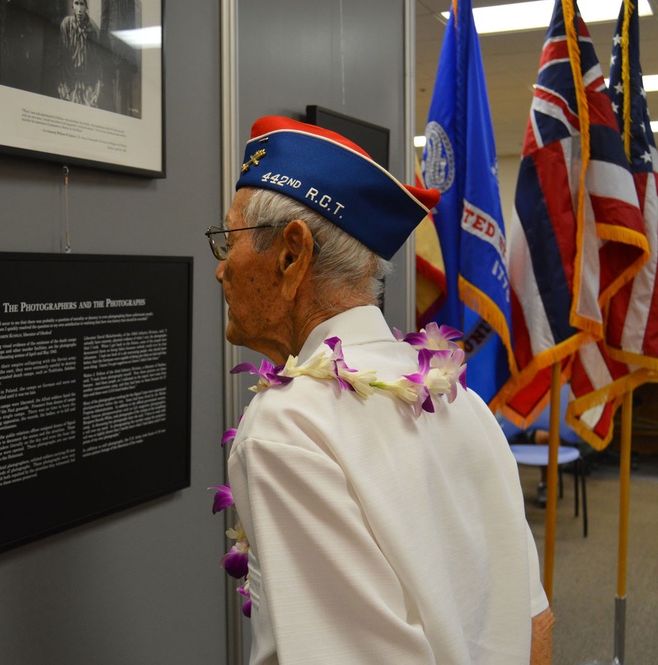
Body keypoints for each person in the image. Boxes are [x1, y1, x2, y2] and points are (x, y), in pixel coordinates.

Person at [210, 116, 553, 664]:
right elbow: (533, 622)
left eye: (229, 240)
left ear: (292, 255)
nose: (222, 269)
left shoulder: (288, 428)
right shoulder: (456, 398)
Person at [58, 0, 102, 107]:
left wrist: (97, 89)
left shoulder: (93, 30)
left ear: (86, 7)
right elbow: (60, 59)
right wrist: (63, 89)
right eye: (76, 3)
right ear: (72, 5)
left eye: (82, 4)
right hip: (69, 85)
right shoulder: (66, 25)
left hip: (87, 87)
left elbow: (97, 64)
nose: (79, 9)